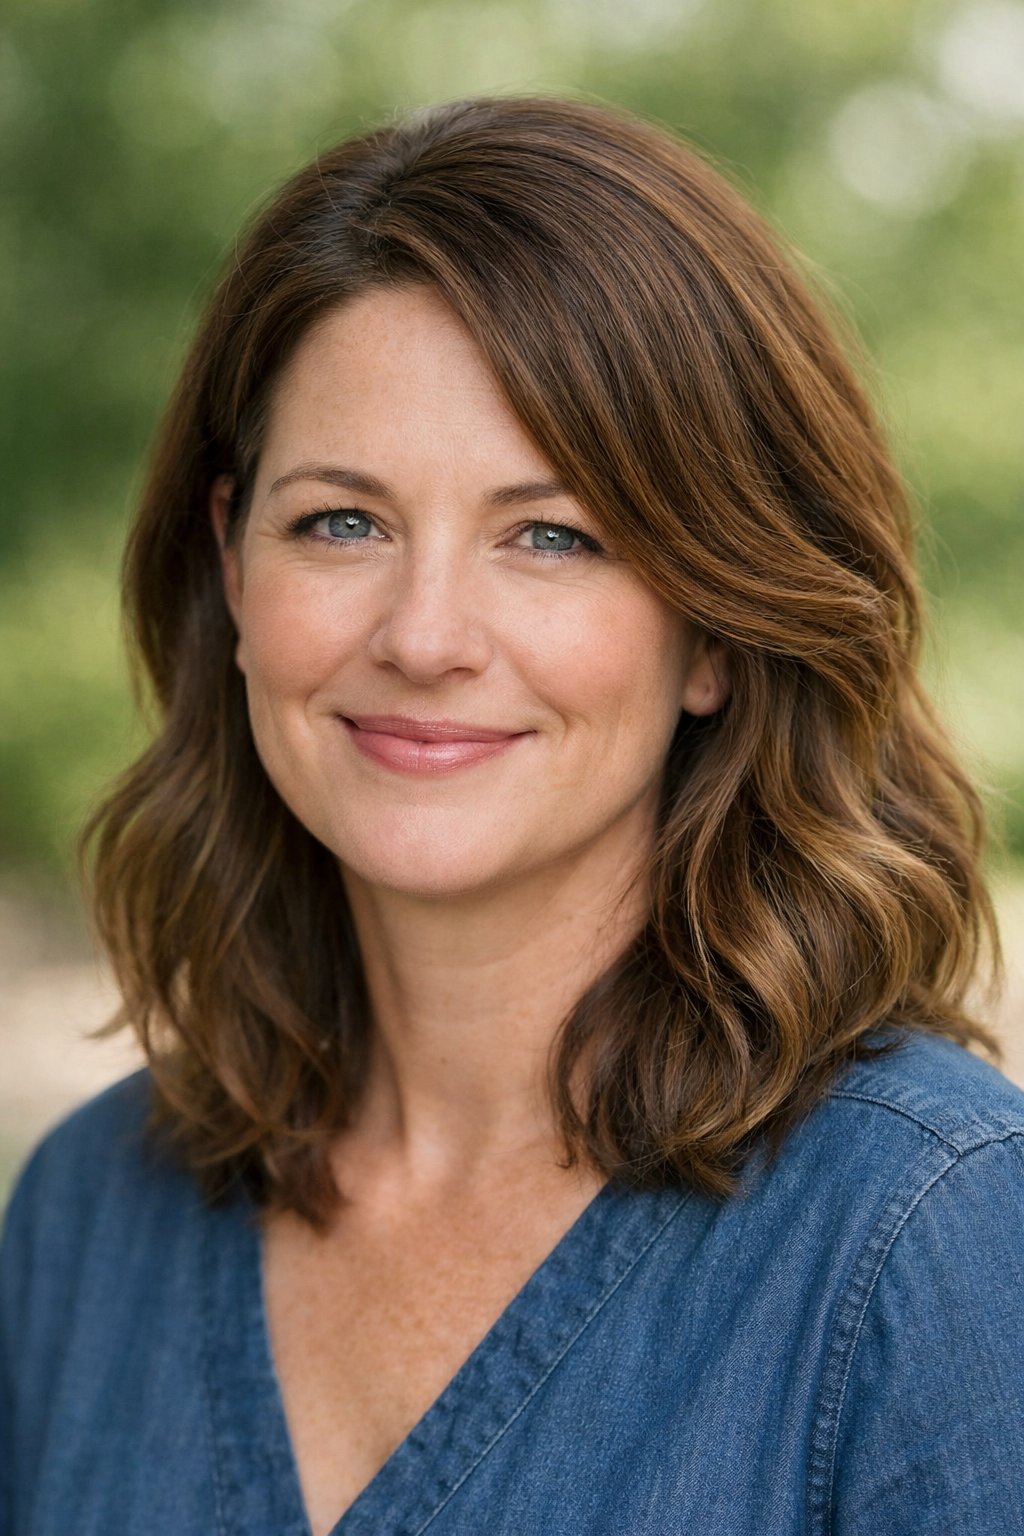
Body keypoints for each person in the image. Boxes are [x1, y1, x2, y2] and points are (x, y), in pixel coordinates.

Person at [1, 93, 1022, 1536]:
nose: (424, 636)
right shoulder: (87, 1219)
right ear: (233, 566)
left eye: (551, 535)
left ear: (718, 629)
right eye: (341, 522)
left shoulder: (936, 1233)